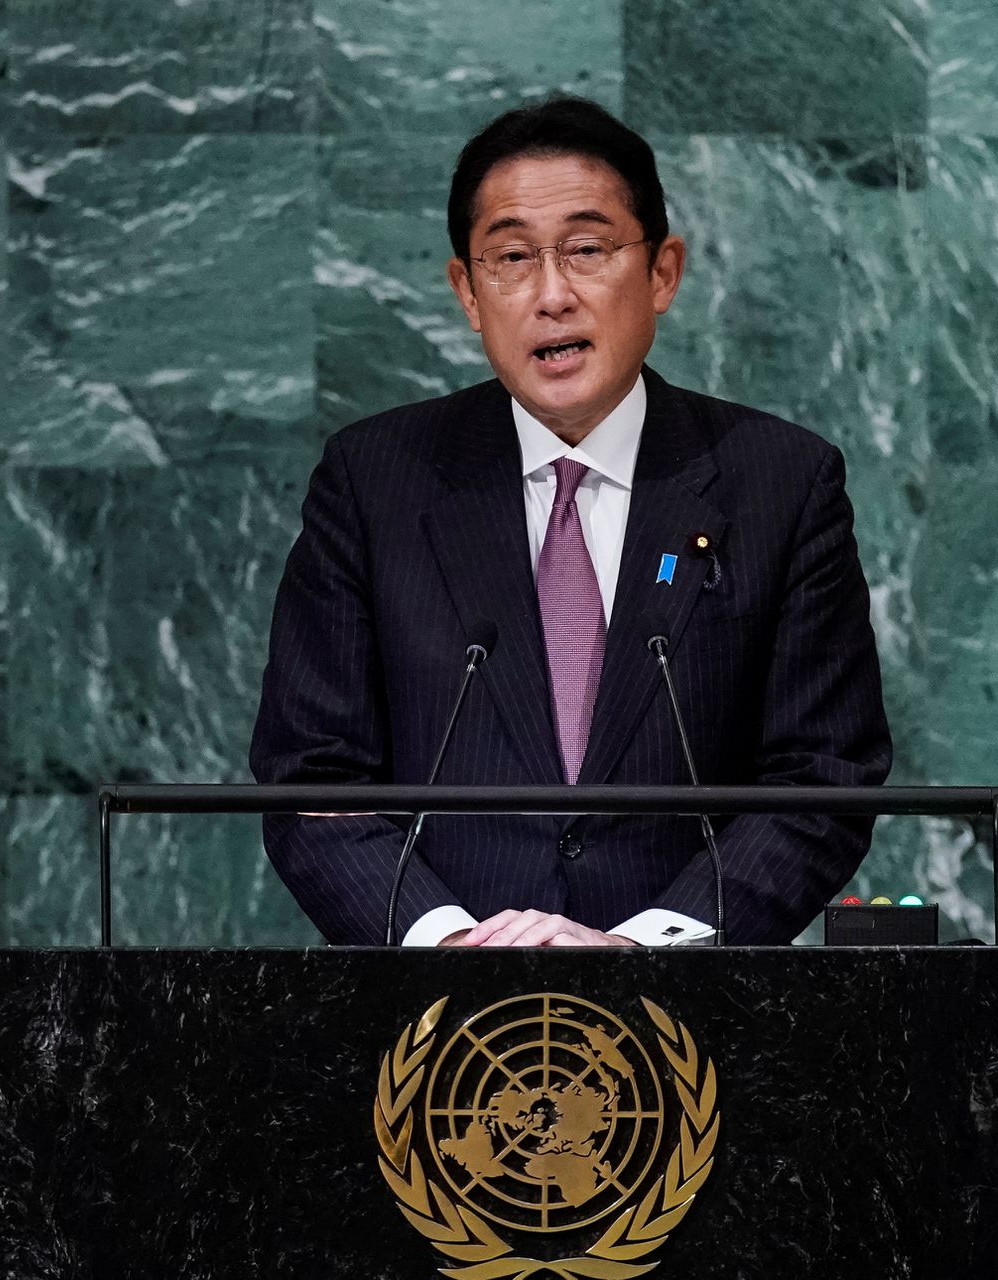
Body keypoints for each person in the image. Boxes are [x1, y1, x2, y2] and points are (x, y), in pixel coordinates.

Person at [250, 97, 891, 948]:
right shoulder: (376, 481)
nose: (552, 295)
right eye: (511, 258)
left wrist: (647, 946)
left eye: (588, 250)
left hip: (692, 1027)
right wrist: (446, 943)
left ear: (662, 271)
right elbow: (313, 773)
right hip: (435, 1031)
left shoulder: (781, 481)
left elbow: (821, 778)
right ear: (468, 293)